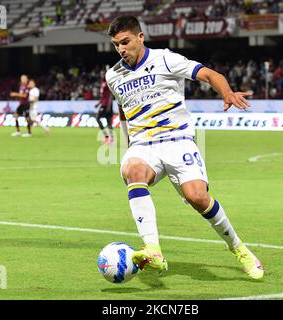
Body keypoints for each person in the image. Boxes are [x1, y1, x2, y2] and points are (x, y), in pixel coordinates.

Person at [105, 15, 264, 280]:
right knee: (133, 170)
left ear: (140, 38)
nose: (121, 49)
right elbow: (123, 108)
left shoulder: (166, 59)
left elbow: (209, 74)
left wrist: (226, 92)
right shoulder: (113, 75)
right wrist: (128, 140)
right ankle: (153, 248)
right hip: (144, 145)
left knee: (197, 198)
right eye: (116, 45)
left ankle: (239, 249)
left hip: (178, 141)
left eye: (126, 42)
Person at [95, 69, 114, 144]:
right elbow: (103, 96)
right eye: (101, 74)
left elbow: (110, 94)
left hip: (107, 105)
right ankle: (108, 138)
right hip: (103, 104)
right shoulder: (102, 83)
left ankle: (109, 139)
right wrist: (99, 103)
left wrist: (109, 105)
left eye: (103, 74)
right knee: (104, 121)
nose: (102, 75)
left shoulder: (107, 83)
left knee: (103, 120)